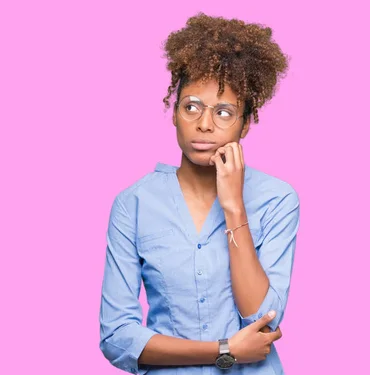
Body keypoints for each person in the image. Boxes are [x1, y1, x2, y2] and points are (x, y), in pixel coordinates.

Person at [98, 13, 301, 375]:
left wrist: (234, 207)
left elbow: (262, 318)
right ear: (174, 112)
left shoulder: (276, 200)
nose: (205, 124)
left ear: (246, 123)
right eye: (191, 106)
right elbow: (116, 336)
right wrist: (224, 350)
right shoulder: (134, 204)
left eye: (224, 112)